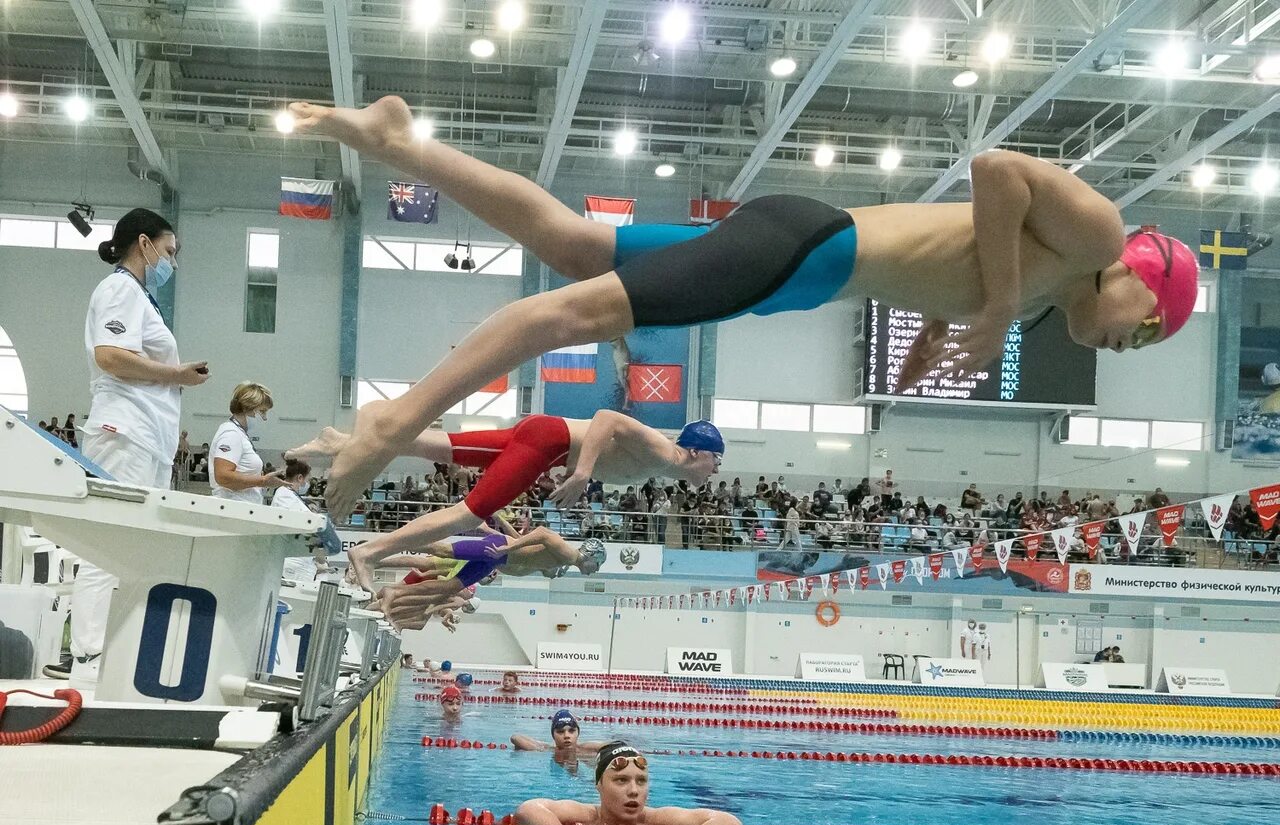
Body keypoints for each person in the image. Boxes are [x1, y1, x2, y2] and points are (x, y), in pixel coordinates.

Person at [284, 98, 1198, 517]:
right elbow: (996, 169)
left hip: (806, 252)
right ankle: (390, 423)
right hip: (806, 253)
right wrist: (994, 307)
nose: (1125, 343)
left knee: (571, 241)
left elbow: (956, 243)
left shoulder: (1044, 287)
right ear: (1143, 282)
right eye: (1142, 329)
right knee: (562, 314)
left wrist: (939, 331)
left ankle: (398, 139)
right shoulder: (1102, 235)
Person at [45, 209, 211, 682]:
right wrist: (177, 375)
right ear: (145, 243)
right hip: (124, 432)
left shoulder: (140, 298)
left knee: (135, 549)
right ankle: (90, 659)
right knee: (109, 546)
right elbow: (112, 356)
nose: (172, 263)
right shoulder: (119, 288)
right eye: (170, 251)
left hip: (147, 438)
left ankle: (113, 653)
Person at [299, 413, 722, 591]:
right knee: (471, 512)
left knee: (439, 447)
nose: (716, 471)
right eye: (716, 461)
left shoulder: (664, 465)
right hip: (548, 443)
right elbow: (605, 418)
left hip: (545, 438)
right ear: (698, 452)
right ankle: (371, 552)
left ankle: (340, 443)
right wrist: (582, 472)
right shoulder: (662, 450)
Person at [370, 530, 607, 628]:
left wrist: (509, 550)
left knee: (447, 588)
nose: (593, 571)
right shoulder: (569, 553)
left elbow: (531, 548)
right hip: (496, 550)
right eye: (595, 566)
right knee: (441, 551)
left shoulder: (564, 561)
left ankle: (395, 593)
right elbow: (543, 532)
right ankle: (388, 543)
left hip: (496, 561)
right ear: (591, 557)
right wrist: (508, 548)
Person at [517, 742, 743, 825]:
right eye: (621, 780)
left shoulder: (654, 817)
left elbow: (728, 822)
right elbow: (529, 810)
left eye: (641, 781)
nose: (634, 790)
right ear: (599, 785)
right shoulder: (587, 814)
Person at [209, 382, 287, 504]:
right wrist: (262, 481)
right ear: (247, 408)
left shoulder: (240, 435)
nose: (265, 418)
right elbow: (222, 476)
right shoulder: (231, 434)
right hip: (233, 506)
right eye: (262, 411)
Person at [512, 709, 611, 759]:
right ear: (553, 735)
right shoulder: (548, 749)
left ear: (578, 733)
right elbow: (515, 738)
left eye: (571, 731)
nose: (567, 736)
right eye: (560, 732)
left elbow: (617, 746)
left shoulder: (586, 747)